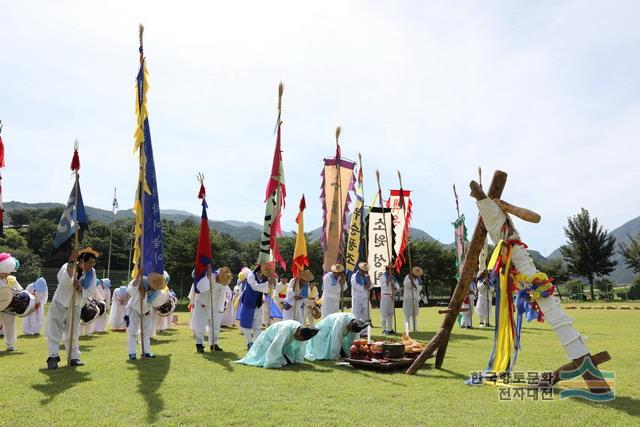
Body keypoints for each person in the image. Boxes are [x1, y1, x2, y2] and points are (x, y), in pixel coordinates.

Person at [45, 248, 99, 369]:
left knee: (73, 331)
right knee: (54, 330)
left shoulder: (92, 273)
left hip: (76, 304)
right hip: (60, 301)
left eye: (93, 263)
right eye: (89, 262)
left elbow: (90, 289)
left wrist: (79, 287)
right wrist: (71, 266)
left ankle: (74, 357)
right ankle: (53, 357)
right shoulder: (67, 266)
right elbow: (63, 281)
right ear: (81, 261)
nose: (91, 265)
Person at [236, 320, 319, 369]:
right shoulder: (285, 329)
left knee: (290, 359)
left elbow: (301, 347)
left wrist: (298, 360)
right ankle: (272, 360)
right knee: (283, 362)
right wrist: (273, 363)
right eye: (300, 339)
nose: (299, 341)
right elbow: (276, 345)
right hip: (267, 343)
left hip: (283, 347)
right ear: (299, 333)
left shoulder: (300, 328)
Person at [190, 266, 232, 352]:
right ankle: (199, 344)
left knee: (216, 325)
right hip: (203, 303)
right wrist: (207, 278)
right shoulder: (210, 276)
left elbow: (222, 295)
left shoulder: (224, 282)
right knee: (200, 324)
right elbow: (200, 288)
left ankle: (214, 343)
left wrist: (221, 307)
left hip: (215, 306)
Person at [125, 273, 166, 361]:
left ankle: (146, 352)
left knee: (146, 332)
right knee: (132, 331)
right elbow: (130, 290)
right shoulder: (141, 280)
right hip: (134, 308)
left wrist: (144, 296)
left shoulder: (158, 292)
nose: (154, 287)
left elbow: (150, 303)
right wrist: (138, 276)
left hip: (146, 311)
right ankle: (132, 353)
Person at [238, 263, 274, 349]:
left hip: (258, 304)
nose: (264, 275)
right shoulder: (251, 275)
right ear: (260, 270)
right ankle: (249, 342)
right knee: (247, 325)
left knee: (257, 325)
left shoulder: (265, 278)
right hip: (248, 303)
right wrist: (267, 284)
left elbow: (268, 292)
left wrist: (271, 284)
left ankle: (258, 343)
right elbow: (255, 287)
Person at [0, 253, 22, 351]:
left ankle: (10, 345)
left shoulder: (12, 279)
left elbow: (20, 291)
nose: (8, 273)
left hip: (9, 308)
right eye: (5, 271)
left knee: (10, 326)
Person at [350, 262, 371, 337]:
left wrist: (368, 281)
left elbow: (371, 286)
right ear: (359, 269)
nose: (363, 272)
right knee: (356, 314)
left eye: (365, 271)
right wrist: (365, 286)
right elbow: (355, 286)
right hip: (357, 298)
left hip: (365, 297)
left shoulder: (366, 276)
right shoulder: (354, 276)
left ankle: (364, 331)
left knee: (366, 314)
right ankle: (356, 330)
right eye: (362, 270)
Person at [403, 266, 425, 333]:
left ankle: (415, 328)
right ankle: (408, 329)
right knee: (407, 314)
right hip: (408, 298)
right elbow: (406, 285)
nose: (417, 276)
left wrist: (414, 286)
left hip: (415, 298)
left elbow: (420, 287)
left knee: (415, 314)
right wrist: (411, 282)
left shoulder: (418, 279)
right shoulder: (407, 277)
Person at [379, 264, 400, 335]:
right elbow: (385, 286)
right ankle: (383, 329)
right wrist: (389, 279)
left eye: (393, 270)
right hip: (385, 296)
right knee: (384, 313)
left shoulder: (393, 277)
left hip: (392, 296)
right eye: (391, 269)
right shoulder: (382, 276)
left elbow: (397, 287)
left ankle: (390, 329)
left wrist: (394, 287)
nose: (393, 271)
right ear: (387, 270)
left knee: (390, 314)